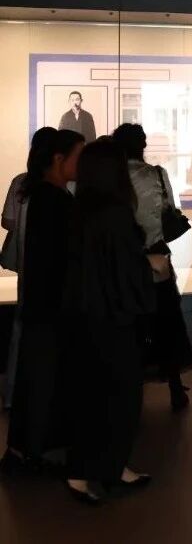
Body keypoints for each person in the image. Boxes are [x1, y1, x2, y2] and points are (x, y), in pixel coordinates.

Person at [63, 139, 157, 504]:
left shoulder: (78, 210)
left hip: (81, 316)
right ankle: (98, 469)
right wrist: (150, 267)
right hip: (112, 318)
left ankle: (101, 468)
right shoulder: (115, 214)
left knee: (90, 396)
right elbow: (125, 270)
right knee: (121, 398)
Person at [2, 129, 84, 473]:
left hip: (41, 302)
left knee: (37, 378)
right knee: (45, 380)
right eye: (78, 156)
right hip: (52, 306)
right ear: (58, 159)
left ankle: (28, 450)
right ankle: (37, 452)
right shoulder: (55, 200)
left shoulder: (40, 194)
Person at [112, 124, 192, 412]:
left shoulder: (112, 177)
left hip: (124, 260)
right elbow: (169, 209)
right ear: (142, 145)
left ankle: (129, 391)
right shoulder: (157, 174)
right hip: (157, 257)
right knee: (166, 322)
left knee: (130, 326)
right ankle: (175, 387)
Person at [1, 127, 58, 410]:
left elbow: (7, 222)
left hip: (26, 263)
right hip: (54, 267)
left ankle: (14, 394)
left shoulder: (21, 182)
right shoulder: (62, 188)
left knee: (22, 326)